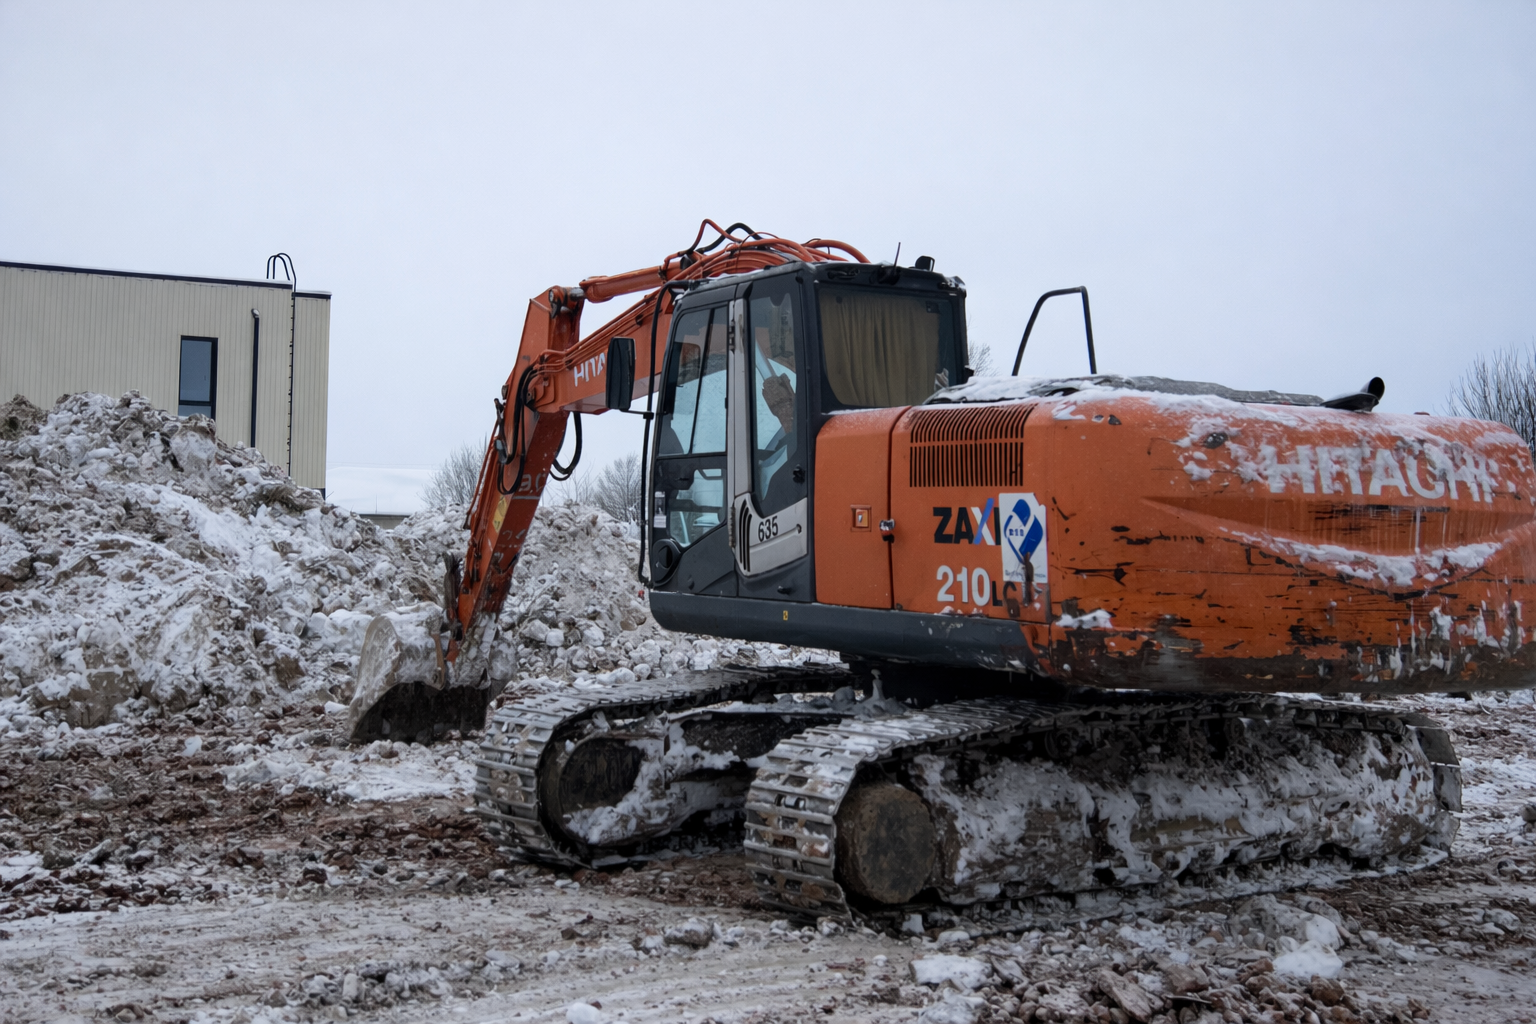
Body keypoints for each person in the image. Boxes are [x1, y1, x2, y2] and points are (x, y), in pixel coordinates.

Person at [759, 373, 798, 512]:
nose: (783, 412)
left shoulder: (799, 442)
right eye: (777, 407)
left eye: (785, 405)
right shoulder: (784, 442)